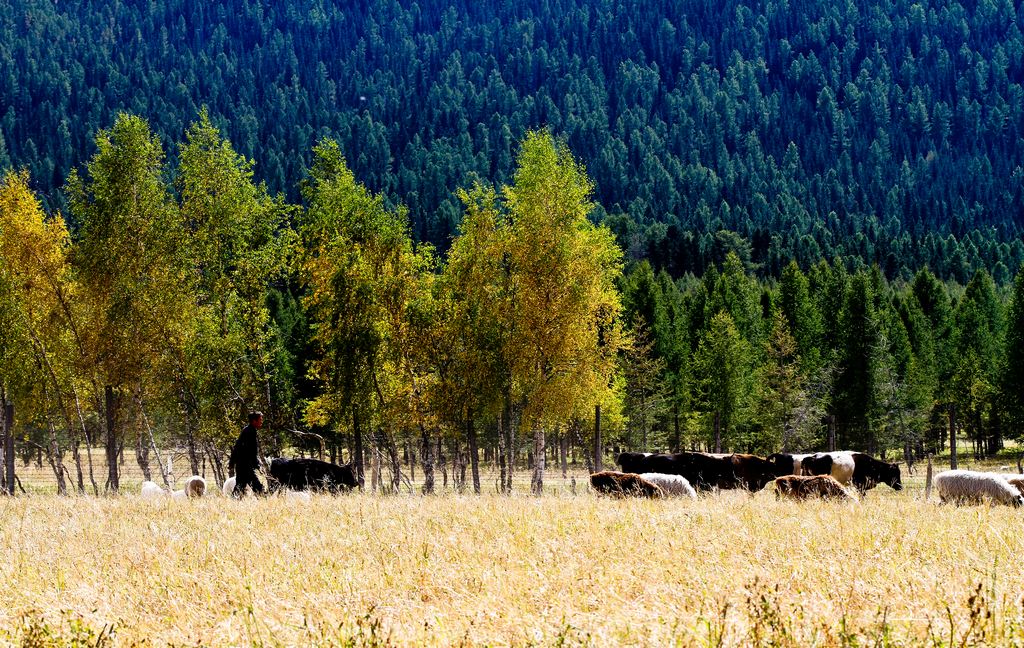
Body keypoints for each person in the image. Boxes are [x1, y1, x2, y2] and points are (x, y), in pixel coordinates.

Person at [230, 411, 265, 497]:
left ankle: (233, 501)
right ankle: (263, 501)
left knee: (240, 486)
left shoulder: (249, 430)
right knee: (257, 487)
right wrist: (256, 464)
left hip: (242, 464)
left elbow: (237, 447)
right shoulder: (249, 431)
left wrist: (232, 461)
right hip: (245, 465)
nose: (261, 421)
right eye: (260, 420)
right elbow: (249, 450)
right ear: (254, 421)